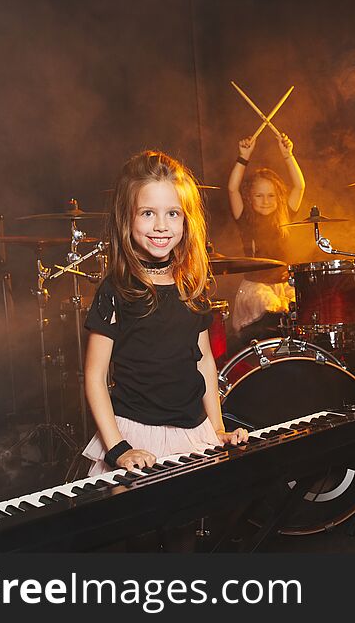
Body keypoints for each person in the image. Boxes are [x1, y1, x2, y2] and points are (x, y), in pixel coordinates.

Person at [82, 149, 247, 479]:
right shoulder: (116, 290)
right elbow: (95, 376)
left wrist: (217, 429)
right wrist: (118, 449)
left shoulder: (192, 285)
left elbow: (203, 361)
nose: (161, 225)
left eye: (173, 214)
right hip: (135, 434)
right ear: (126, 218)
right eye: (147, 213)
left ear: (187, 221)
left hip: (193, 433)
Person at [226, 132, 306, 348]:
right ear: (249, 197)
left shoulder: (285, 215)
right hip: (256, 287)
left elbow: (299, 186)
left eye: (271, 196)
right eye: (259, 195)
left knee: (299, 311)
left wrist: (288, 155)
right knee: (270, 313)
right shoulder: (244, 218)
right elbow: (232, 187)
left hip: (283, 286)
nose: (265, 201)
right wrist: (243, 157)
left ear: (279, 197)